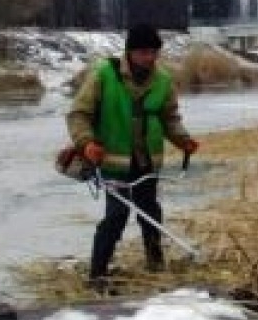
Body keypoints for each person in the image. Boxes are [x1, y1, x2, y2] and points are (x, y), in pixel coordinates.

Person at [67, 24, 198, 292]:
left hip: (146, 161)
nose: (149, 58)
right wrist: (86, 143)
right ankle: (98, 273)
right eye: (143, 53)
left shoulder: (163, 80)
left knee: (150, 210)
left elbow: (170, 118)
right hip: (113, 162)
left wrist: (183, 139)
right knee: (116, 215)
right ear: (130, 53)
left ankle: (155, 260)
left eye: (154, 52)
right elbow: (79, 114)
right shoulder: (104, 74)